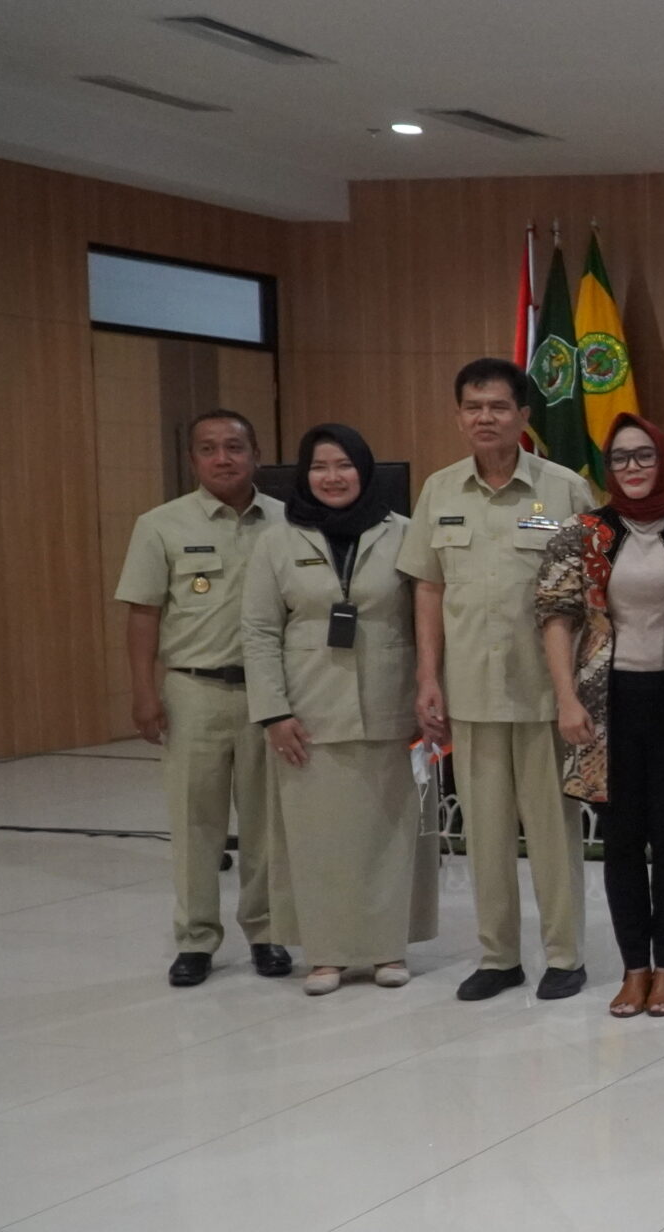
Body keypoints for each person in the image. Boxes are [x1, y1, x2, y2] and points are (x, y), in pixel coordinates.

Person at [397, 359, 596, 1002]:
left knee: (553, 832)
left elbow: (592, 596)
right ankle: (498, 956)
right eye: (473, 407)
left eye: (499, 407)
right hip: (472, 693)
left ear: (524, 417)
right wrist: (428, 677)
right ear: (458, 416)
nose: (486, 417)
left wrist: (581, 692)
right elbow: (428, 589)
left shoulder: (564, 490)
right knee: (482, 836)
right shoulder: (439, 491)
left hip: (545, 694)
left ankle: (564, 955)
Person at [537, 412, 664, 1019]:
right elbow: (555, 617)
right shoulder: (581, 531)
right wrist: (566, 699)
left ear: (662, 460)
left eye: (643, 456)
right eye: (620, 458)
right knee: (619, 842)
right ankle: (633, 969)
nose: (632, 468)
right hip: (606, 704)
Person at [243, 424, 430, 992]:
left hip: (389, 704)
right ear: (305, 474)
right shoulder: (277, 539)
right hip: (309, 709)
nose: (332, 477)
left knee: (387, 836)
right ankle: (325, 953)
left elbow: (427, 620)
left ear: (366, 471)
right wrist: (273, 712)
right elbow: (256, 630)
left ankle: (385, 951)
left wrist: (429, 692)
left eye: (344, 465)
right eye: (320, 466)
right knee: (316, 839)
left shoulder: (403, 534)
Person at [113, 410, 293, 987]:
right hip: (193, 690)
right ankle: (195, 939)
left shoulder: (289, 523)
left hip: (269, 694)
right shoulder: (160, 524)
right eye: (209, 449)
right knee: (196, 823)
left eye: (235, 447)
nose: (223, 458)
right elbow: (143, 616)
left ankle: (266, 934)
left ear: (256, 454)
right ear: (192, 460)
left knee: (267, 822)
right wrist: (145, 693)